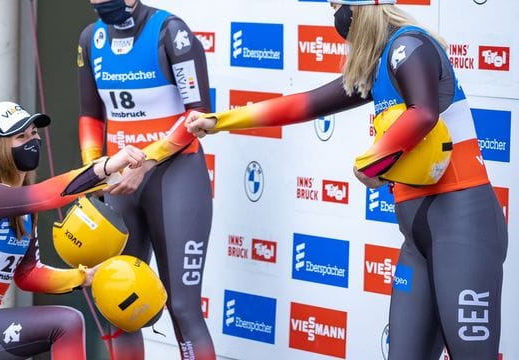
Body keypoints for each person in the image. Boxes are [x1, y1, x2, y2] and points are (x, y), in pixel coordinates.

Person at [185, 1, 508, 359]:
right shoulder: (379, 65)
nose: (334, 13)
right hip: (417, 236)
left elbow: (424, 112)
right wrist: (222, 120)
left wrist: (370, 164)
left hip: (464, 225)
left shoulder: (409, 46)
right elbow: (303, 105)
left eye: (337, 4)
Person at [0, 101, 145, 360]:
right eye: (20, 136)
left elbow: (28, 274)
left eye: (34, 133)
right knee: (66, 322)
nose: (32, 141)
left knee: (66, 322)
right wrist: (104, 167)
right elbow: (46, 196)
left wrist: (85, 277)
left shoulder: (24, 208)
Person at [76, 0, 215, 359]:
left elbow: (198, 114)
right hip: (120, 183)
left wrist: (147, 162)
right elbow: (90, 117)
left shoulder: (171, 32)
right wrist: (96, 169)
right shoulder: (91, 39)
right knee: (117, 302)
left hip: (175, 176)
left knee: (182, 307)